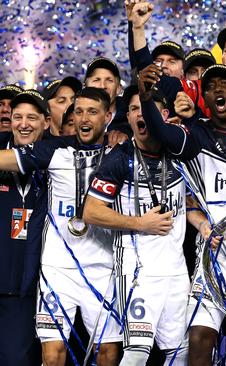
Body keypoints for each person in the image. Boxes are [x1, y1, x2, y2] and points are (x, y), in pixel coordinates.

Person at [138, 62, 226, 365]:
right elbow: (161, 131)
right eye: (209, 86)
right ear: (203, 98)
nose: (216, 89)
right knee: (201, 338)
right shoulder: (198, 136)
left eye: (223, 84)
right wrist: (146, 95)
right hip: (216, 252)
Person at [0, 87, 122, 366]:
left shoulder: (120, 153)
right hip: (57, 269)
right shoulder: (54, 148)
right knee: (53, 354)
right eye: (78, 111)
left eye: (92, 111)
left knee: (108, 352)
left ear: (108, 116)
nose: (83, 118)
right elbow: (6, 159)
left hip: (104, 266)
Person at [83, 85, 195, 365]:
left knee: (180, 351)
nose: (140, 114)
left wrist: (204, 225)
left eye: (147, 109)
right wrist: (140, 224)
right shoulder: (119, 158)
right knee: (136, 353)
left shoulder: (180, 156)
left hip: (177, 272)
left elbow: (189, 205)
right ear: (129, 118)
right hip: (138, 273)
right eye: (134, 109)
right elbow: (90, 211)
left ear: (164, 116)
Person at [0, 89, 51, 366]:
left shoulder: (57, 162)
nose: (24, 124)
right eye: (17, 117)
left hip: (25, 288)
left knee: (15, 359)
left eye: (32, 117)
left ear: (46, 122)